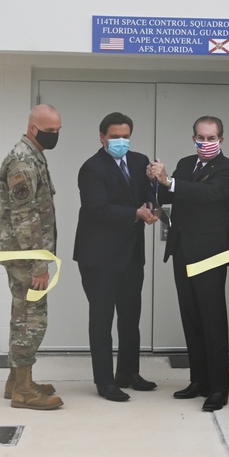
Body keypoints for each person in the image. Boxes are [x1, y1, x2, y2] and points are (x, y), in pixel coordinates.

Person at [149, 116, 229, 412]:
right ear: (194, 139)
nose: (205, 143)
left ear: (221, 140)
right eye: (200, 138)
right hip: (182, 250)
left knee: (212, 320)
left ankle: (218, 389)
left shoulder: (228, 170)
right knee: (191, 318)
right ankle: (198, 380)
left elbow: (210, 195)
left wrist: (171, 182)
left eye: (211, 138)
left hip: (210, 253)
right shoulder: (186, 163)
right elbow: (167, 195)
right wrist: (156, 178)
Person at [74, 112, 159, 402]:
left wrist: (151, 205)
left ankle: (128, 373)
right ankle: (105, 382)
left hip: (131, 254)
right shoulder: (91, 168)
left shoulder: (139, 161)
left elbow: (148, 194)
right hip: (99, 257)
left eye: (125, 136)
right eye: (114, 137)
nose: (120, 141)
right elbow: (97, 208)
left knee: (130, 317)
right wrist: (135, 213)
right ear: (102, 137)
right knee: (102, 319)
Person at [0, 103, 65, 411]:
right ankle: (23, 389)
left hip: (28, 253)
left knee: (23, 313)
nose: (56, 137)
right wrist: (39, 264)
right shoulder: (22, 161)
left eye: (58, 131)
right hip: (26, 256)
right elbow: (25, 217)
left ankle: (15, 381)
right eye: (51, 132)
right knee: (31, 319)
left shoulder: (34, 156)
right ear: (34, 129)